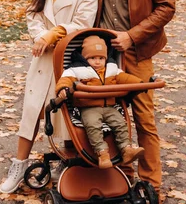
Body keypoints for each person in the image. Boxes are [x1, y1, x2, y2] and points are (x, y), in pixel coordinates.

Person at [90, 0, 176, 204]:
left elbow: (166, 7)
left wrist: (132, 35)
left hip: (137, 52)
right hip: (104, 57)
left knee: (144, 120)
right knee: (108, 115)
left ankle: (153, 189)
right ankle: (121, 180)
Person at [0, 0, 98, 193]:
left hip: (68, 59)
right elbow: (33, 14)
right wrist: (40, 36)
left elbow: (84, 23)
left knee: (66, 114)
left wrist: (54, 34)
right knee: (31, 111)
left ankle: (68, 165)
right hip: (42, 58)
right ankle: (19, 165)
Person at [55, 35, 145, 169]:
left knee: (120, 123)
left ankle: (126, 149)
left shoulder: (111, 69)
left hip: (110, 106)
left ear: (105, 58)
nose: (97, 62)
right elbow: (65, 80)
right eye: (93, 58)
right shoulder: (77, 70)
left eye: (101, 58)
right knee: (93, 126)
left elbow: (125, 78)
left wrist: (141, 83)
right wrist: (63, 89)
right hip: (88, 108)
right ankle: (102, 153)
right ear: (85, 58)